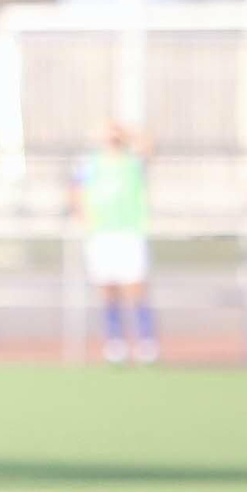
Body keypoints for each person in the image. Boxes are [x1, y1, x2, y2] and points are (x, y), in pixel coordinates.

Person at [72, 121, 157, 364]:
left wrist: (126, 133)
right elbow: (77, 191)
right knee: (108, 289)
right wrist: (84, 218)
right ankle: (115, 342)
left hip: (129, 231)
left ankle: (146, 341)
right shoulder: (90, 163)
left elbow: (149, 146)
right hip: (101, 233)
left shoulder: (133, 160)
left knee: (135, 288)